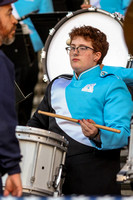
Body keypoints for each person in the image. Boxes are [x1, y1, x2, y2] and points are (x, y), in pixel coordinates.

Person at [27, 25, 133, 196]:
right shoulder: (57, 84)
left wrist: (97, 134)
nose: (75, 52)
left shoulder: (113, 85)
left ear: (97, 56)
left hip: (94, 178)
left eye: (82, 48)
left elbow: (122, 134)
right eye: (72, 47)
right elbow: (37, 123)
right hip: (51, 176)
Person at [4, 0, 54, 125]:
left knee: (22, 108)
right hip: (4, 50)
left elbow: (47, 27)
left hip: (27, 54)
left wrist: (29, 43)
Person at [0, 0, 22, 197]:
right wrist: (13, 166)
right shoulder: (2, 64)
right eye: (8, 13)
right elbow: (3, 119)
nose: (15, 20)